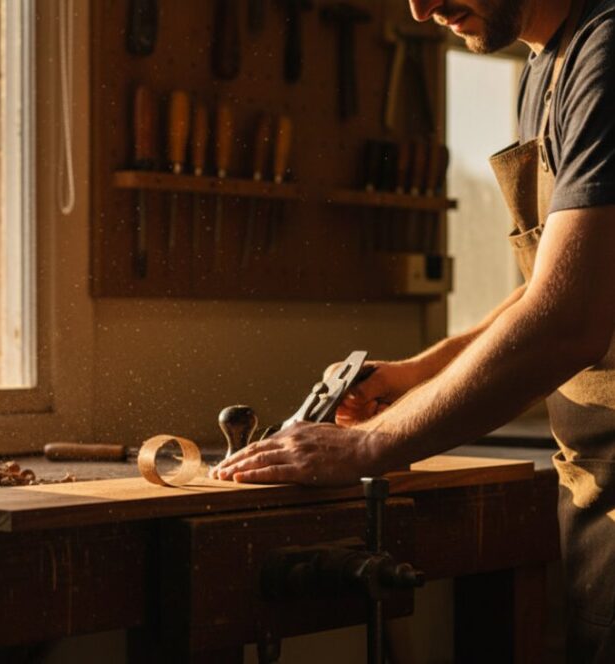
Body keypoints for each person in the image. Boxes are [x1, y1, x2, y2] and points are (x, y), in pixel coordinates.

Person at [212, 0, 615, 659]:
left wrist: (368, 446)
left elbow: (569, 319)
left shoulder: (607, 53)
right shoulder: (546, 68)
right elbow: (551, 285)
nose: (420, 9)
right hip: (595, 488)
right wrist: (415, 375)